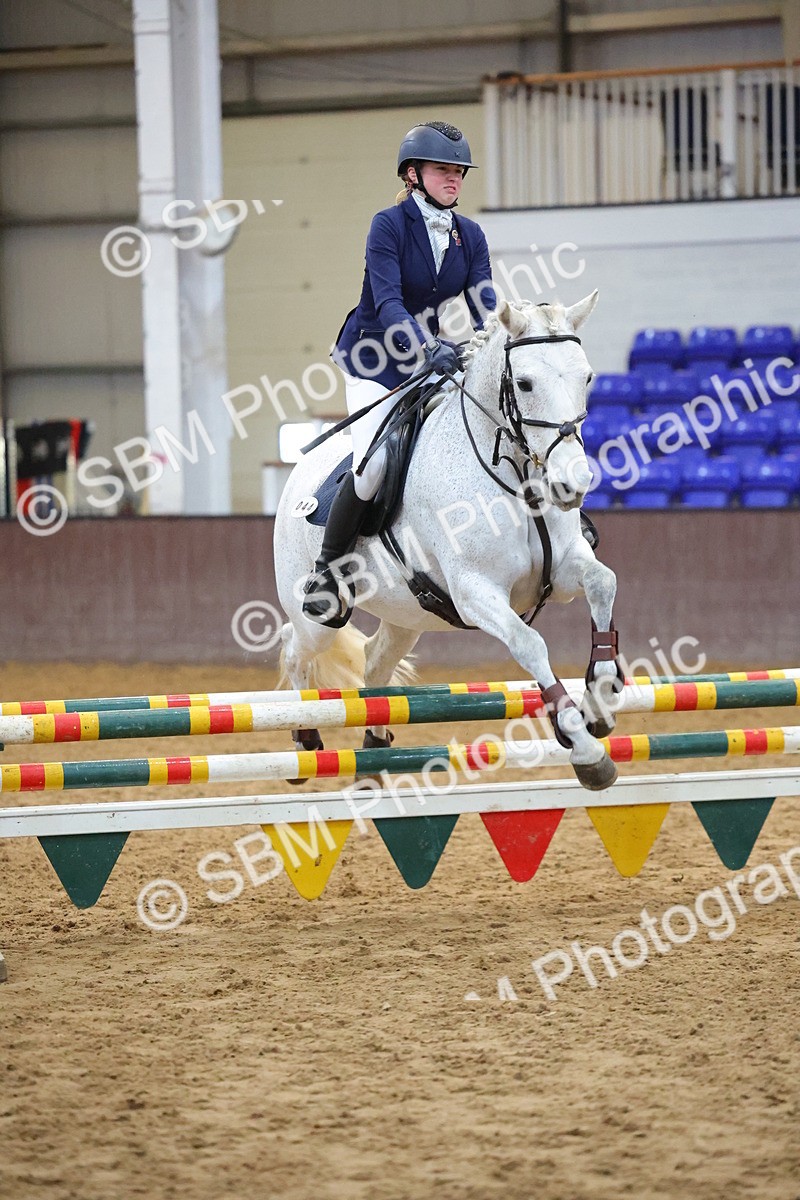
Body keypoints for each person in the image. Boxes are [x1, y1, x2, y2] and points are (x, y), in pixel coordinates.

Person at [302, 120, 497, 624]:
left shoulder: (470, 235)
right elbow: (388, 301)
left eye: (460, 171)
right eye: (443, 169)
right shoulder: (387, 225)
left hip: (429, 357)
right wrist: (429, 346)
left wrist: (501, 340)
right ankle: (328, 571)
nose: (454, 178)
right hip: (373, 360)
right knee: (373, 466)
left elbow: (484, 302)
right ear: (412, 174)